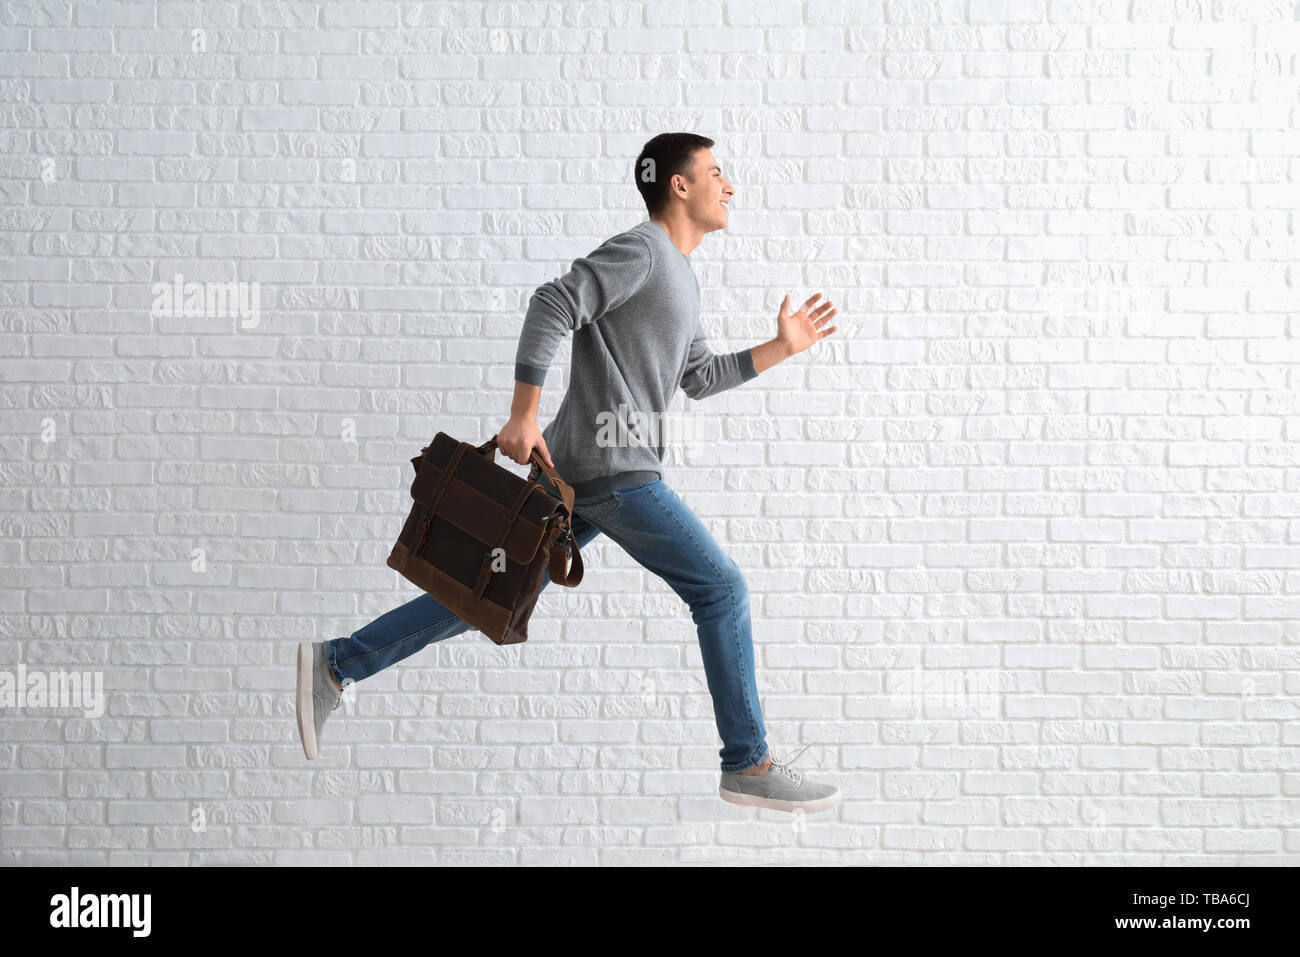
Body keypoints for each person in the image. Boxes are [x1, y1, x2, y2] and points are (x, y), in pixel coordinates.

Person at [296, 132, 841, 813]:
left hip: (580, 476)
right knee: (721, 588)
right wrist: (523, 413)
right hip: (615, 473)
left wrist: (781, 348)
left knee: (484, 596)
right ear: (679, 185)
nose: (729, 186)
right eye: (716, 173)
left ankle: (336, 662)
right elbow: (553, 303)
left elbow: (698, 377)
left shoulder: (681, 273)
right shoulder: (643, 250)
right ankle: (747, 761)